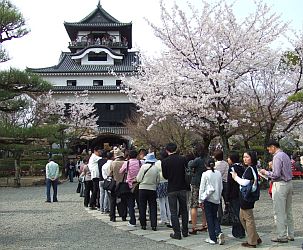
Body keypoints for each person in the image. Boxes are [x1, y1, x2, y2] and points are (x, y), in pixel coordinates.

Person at [260, 140, 294, 243]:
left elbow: (276, 174)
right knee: (288, 211)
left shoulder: (277, 157)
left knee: (279, 211)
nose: (269, 151)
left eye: (269, 149)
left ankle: (281, 235)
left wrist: (265, 172)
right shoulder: (285, 155)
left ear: (273, 147)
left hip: (280, 185)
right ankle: (290, 234)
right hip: (289, 183)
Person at [231, 151, 262, 248]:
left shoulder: (250, 169)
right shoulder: (251, 168)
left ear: (252, 158)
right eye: (244, 157)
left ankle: (252, 241)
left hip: (246, 197)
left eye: (247, 157)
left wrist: (235, 177)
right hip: (247, 197)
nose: (245, 159)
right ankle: (255, 237)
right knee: (244, 218)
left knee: (248, 219)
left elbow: (244, 183)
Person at [162, 143, 188, 240]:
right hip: (182, 186)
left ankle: (177, 233)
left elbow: (165, 176)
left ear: (167, 150)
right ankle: (185, 231)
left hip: (172, 187)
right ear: (176, 149)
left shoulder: (164, 161)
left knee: (173, 211)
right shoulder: (182, 159)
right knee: (184, 210)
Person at [199, 158, 225, 245]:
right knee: (214, 217)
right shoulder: (218, 173)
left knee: (209, 218)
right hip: (217, 198)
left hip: (208, 198)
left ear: (205, 165)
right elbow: (221, 186)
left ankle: (212, 238)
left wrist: (200, 199)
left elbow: (202, 188)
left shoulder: (205, 174)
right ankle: (218, 232)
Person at [136, 152, 160, 230]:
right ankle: (154, 225)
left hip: (143, 188)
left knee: (142, 207)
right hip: (152, 189)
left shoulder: (143, 167)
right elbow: (158, 180)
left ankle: (143, 224)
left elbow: (138, 179)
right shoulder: (156, 168)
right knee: (153, 207)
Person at [188, 146, 208, 234]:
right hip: (206, 184)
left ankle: (194, 226)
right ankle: (204, 224)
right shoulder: (208, 160)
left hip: (196, 183)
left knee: (194, 205)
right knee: (204, 205)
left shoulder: (197, 160)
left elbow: (190, 165)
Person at [226, 152, 245, 239]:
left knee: (235, 214)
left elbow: (229, 183)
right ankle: (242, 231)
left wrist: (227, 195)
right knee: (241, 213)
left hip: (233, 193)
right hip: (241, 192)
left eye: (229, 158)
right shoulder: (242, 167)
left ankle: (237, 232)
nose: (227, 160)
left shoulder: (232, 169)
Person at [119, 149, 141, 226]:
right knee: (140, 203)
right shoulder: (140, 162)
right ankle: (142, 219)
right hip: (138, 185)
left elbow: (121, 171)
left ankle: (132, 221)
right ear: (137, 155)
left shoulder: (127, 163)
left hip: (129, 186)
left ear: (129, 156)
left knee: (131, 205)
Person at [109, 149, 127, 222]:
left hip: (115, 184)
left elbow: (110, 174)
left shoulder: (113, 163)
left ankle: (112, 216)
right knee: (123, 201)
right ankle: (123, 215)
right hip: (123, 183)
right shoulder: (125, 163)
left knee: (113, 201)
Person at [155, 149, 171, 226]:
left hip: (160, 183)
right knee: (168, 202)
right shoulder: (168, 161)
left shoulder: (157, 163)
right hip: (168, 182)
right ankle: (170, 218)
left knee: (161, 202)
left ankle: (163, 218)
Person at [213, 149, 229, 223]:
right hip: (225, 182)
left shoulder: (215, 165)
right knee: (227, 200)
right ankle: (228, 214)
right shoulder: (226, 163)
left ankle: (220, 216)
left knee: (218, 201)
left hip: (218, 183)